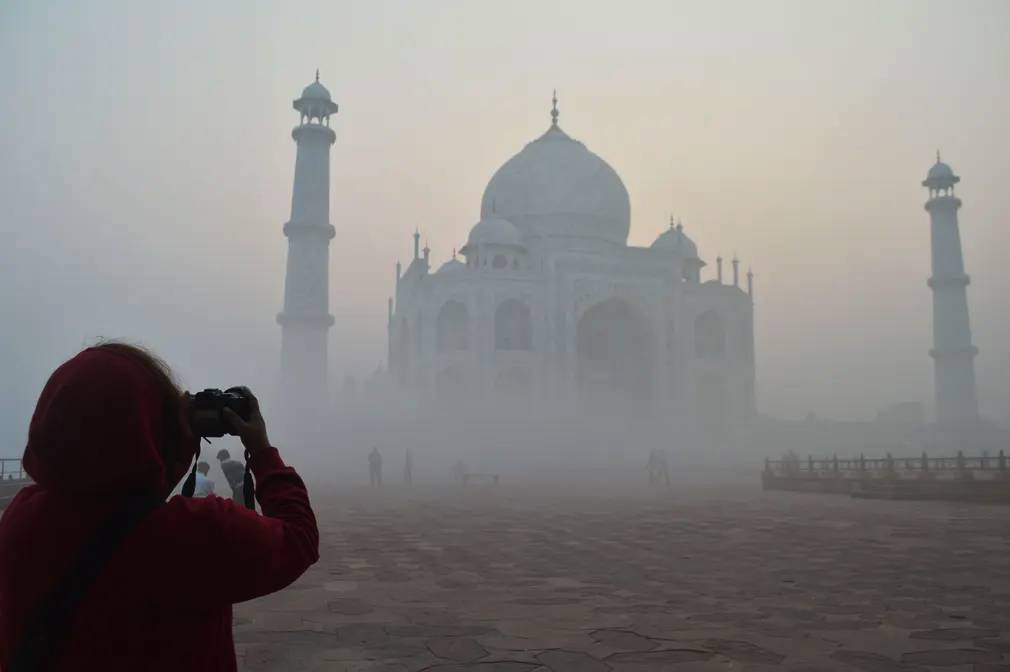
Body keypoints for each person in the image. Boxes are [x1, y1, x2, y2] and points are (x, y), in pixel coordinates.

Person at [0, 343, 319, 671]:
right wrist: (261, 450)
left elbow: (119, 488)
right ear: (150, 428)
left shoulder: (19, 520)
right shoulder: (191, 534)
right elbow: (299, 537)